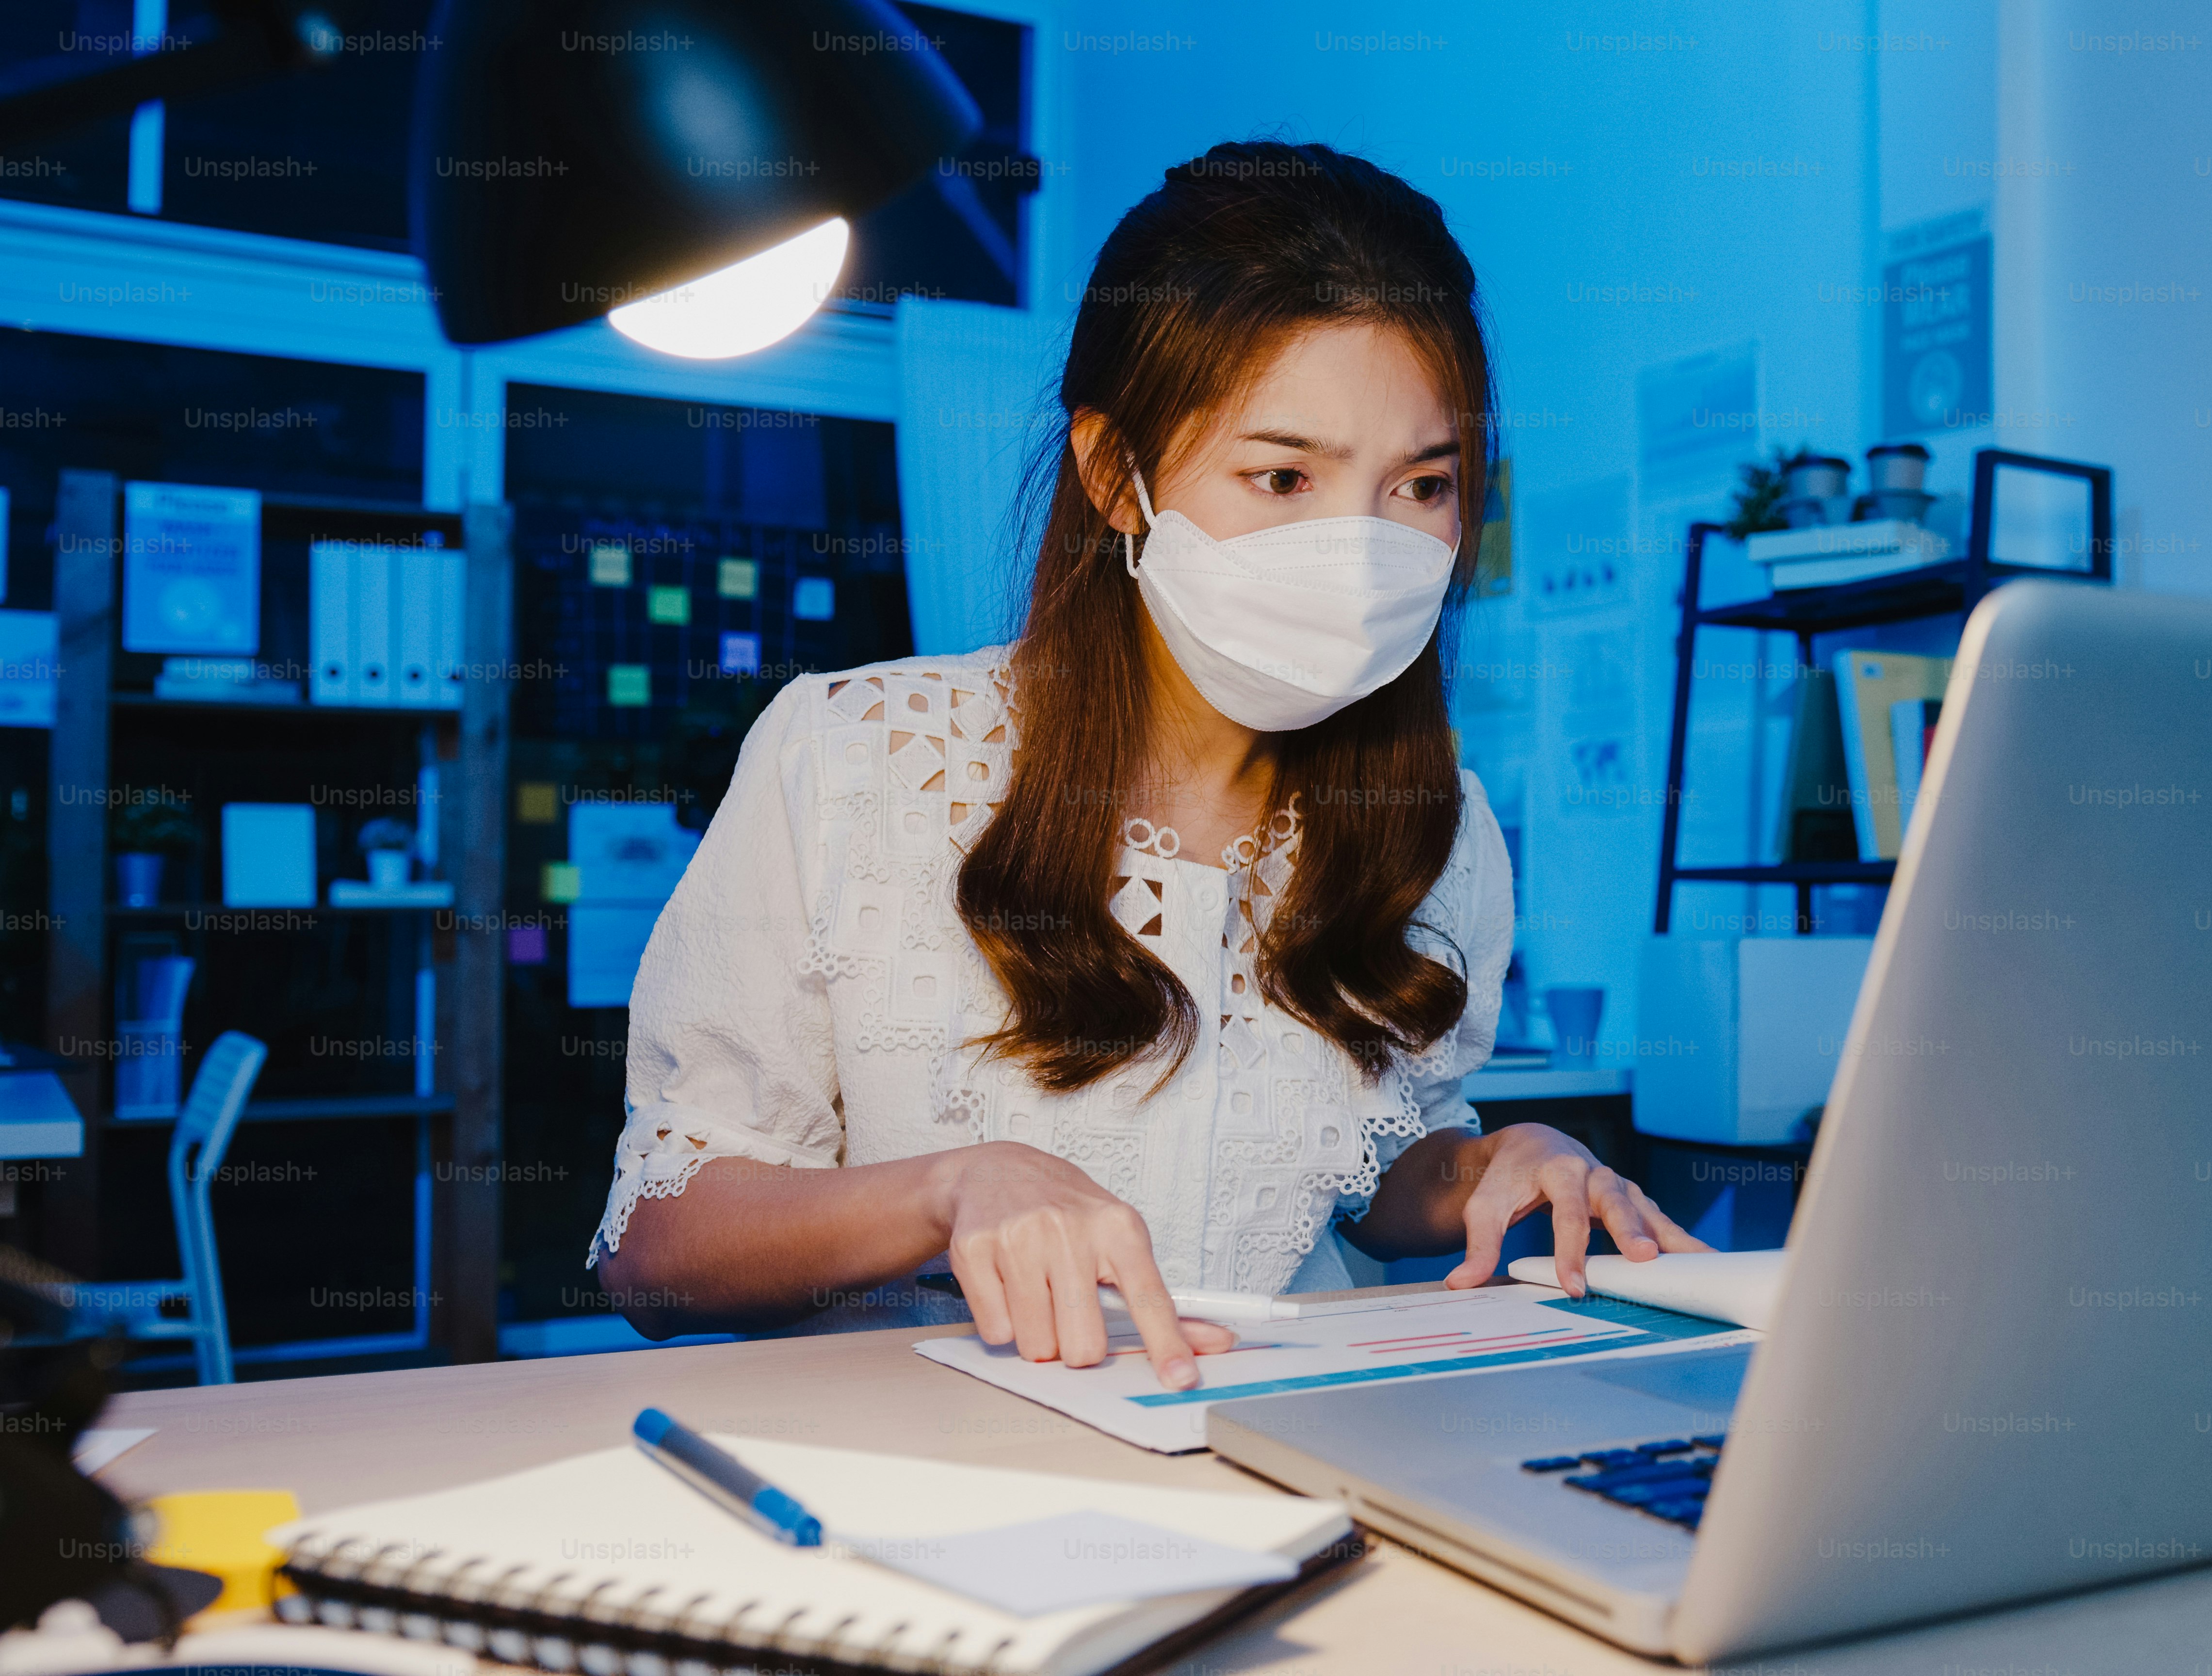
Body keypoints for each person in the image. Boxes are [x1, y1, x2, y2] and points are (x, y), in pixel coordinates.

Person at [590, 141, 1706, 1390]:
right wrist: (948, 1193)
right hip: (921, 1477)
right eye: (1283, 476)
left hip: (1276, 1449)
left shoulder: (1436, 825)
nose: (1354, 549)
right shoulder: (858, 757)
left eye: (1421, 483)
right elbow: (658, 1250)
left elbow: (1375, 1166)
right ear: (1116, 474)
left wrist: (1491, 1167)